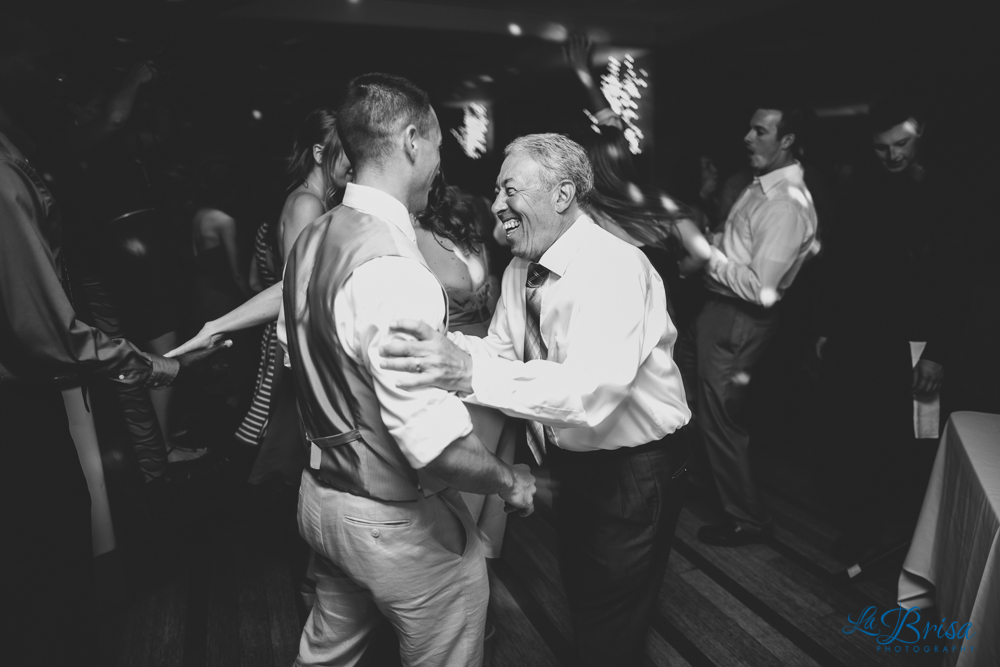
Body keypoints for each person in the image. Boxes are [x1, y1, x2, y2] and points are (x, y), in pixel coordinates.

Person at [380, 133, 691, 667]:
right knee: (586, 598)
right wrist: (438, 347)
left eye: (510, 190)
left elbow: (589, 393)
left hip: (633, 469)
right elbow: (501, 352)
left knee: (610, 622)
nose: (496, 205)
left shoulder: (614, 267)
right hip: (572, 461)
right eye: (497, 191)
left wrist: (466, 371)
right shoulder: (523, 269)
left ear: (562, 194)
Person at [281, 73, 535, 667]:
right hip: (391, 520)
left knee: (327, 654)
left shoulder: (313, 236)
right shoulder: (394, 267)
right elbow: (434, 445)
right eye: (440, 146)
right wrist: (508, 480)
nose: (441, 163)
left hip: (322, 500)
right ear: (413, 141)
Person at [0, 11, 224, 660]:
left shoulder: (23, 160)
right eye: (41, 63)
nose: (54, 80)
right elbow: (51, 333)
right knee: (51, 571)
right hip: (17, 408)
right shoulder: (9, 179)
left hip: (37, 393)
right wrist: (161, 367)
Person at [815, 97, 960, 560]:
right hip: (862, 336)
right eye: (882, 147)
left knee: (917, 439)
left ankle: (921, 544)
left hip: (918, 339)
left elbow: (953, 280)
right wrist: (828, 326)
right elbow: (840, 263)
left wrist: (937, 352)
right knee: (859, 433)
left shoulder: (944, 190)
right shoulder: (863, 187)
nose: (893, 155)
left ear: (921, 133)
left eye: (902, 143)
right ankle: (863, 530)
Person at [693, 105, 819, 547]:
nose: (748, 137)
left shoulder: (785, 204)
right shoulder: (761, 184)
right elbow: (741, 250)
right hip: (722, 311)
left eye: (759, 131)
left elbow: (762, 289)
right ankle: (716, 492)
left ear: (786, 140)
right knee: (707, 412)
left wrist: (707, 256)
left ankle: (748, 518)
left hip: (739, 318)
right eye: (750, 128)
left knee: (721, 421)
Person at [235, 108, 351, 492]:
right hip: (296, 341)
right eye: (345, 151)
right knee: (283, 442)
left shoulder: (315, 201)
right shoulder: (307, 204)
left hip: (296, 337)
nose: (353, 161)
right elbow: (299, 290)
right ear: (319, 153)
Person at [414, 173, 517, 558]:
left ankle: (477, 568)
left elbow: (492, 285)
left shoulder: (462, 229)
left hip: (491, 362)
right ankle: (455, 567)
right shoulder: (399, 238)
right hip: (452, 374)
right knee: (463, 476)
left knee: (494, 471)